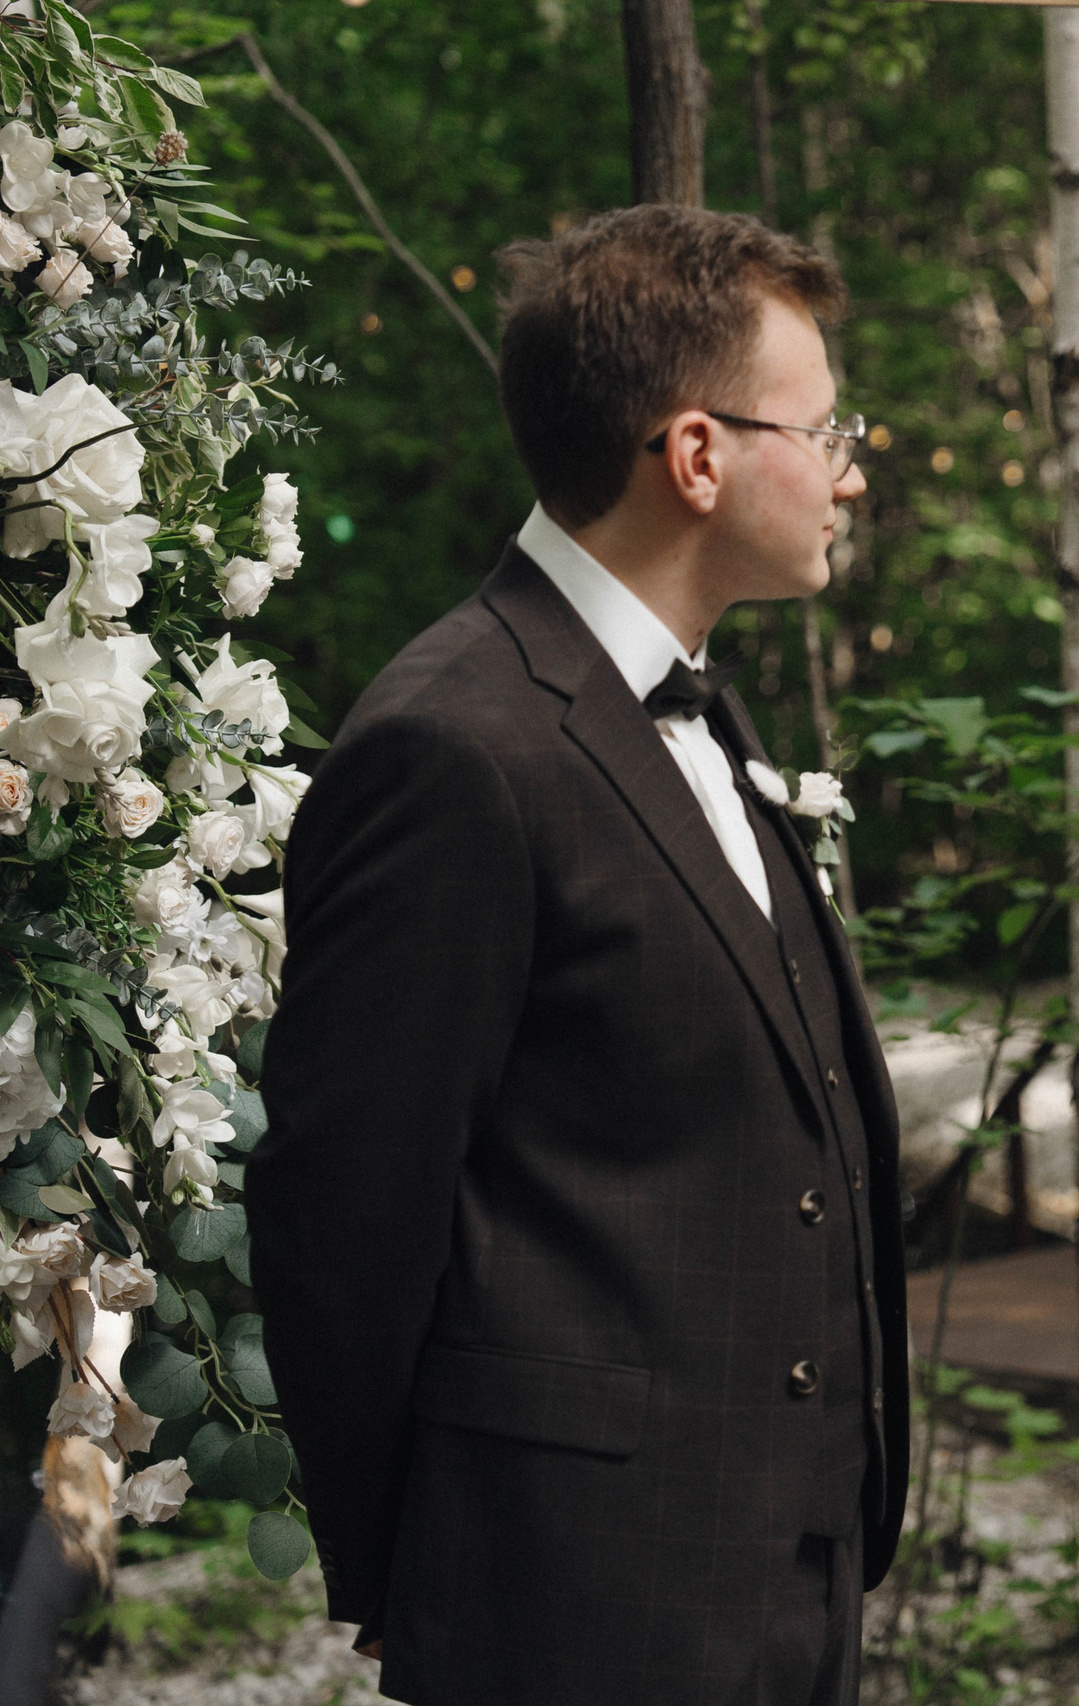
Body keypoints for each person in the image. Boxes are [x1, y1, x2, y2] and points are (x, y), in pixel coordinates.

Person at [248, 205, 905, 1706]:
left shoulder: (696, 705)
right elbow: (344, 1204)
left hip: (771, 1572)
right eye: (828, 427)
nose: (851, 470)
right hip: (573, 1597)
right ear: (697, 455)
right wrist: (408, 1560)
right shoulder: (451, 744)